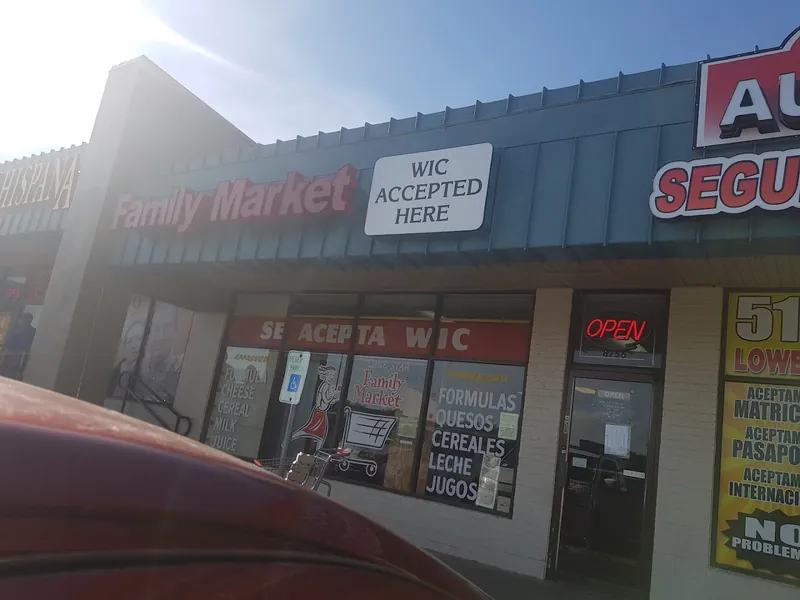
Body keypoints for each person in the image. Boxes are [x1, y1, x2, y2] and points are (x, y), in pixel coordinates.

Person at [0, 313, 36, 380]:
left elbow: (30, 345)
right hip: (10, 356)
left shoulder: (33, 332)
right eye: (22, 319)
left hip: (23, 357)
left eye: (26, 319)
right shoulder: (15, 331)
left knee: (17, 373)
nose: (22, 321)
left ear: (30, 320)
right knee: (6, 372)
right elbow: (7, 343)